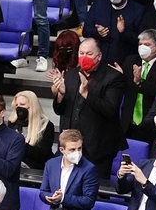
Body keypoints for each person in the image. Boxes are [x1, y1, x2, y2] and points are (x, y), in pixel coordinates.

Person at [51, 37, 125, 172]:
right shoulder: (71, 75)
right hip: (70, 147)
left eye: (89, 54)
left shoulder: (113, 77)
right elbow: (59, 110)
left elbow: (110, 110)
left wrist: (86, 94)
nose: (84, 57)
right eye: (81, 53)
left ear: (99, 56)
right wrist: (60, 95)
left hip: (97, 150)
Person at [40, 130, 98, 210]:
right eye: (72, 149)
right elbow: (43, 192)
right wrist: (50, 197)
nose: (77, 152)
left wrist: (63, 198)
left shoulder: (89, 169)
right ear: (62, 150)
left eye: (79, 148)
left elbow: (89, 200)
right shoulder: (51, 164)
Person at [11, 89, 56, 170]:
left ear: (32, 106)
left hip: (36, 168)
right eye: (17, 105)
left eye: (22, 104)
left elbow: (42, 155)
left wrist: (22, 144)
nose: (19, 108)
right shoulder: (13, 122)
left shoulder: (46, 126)